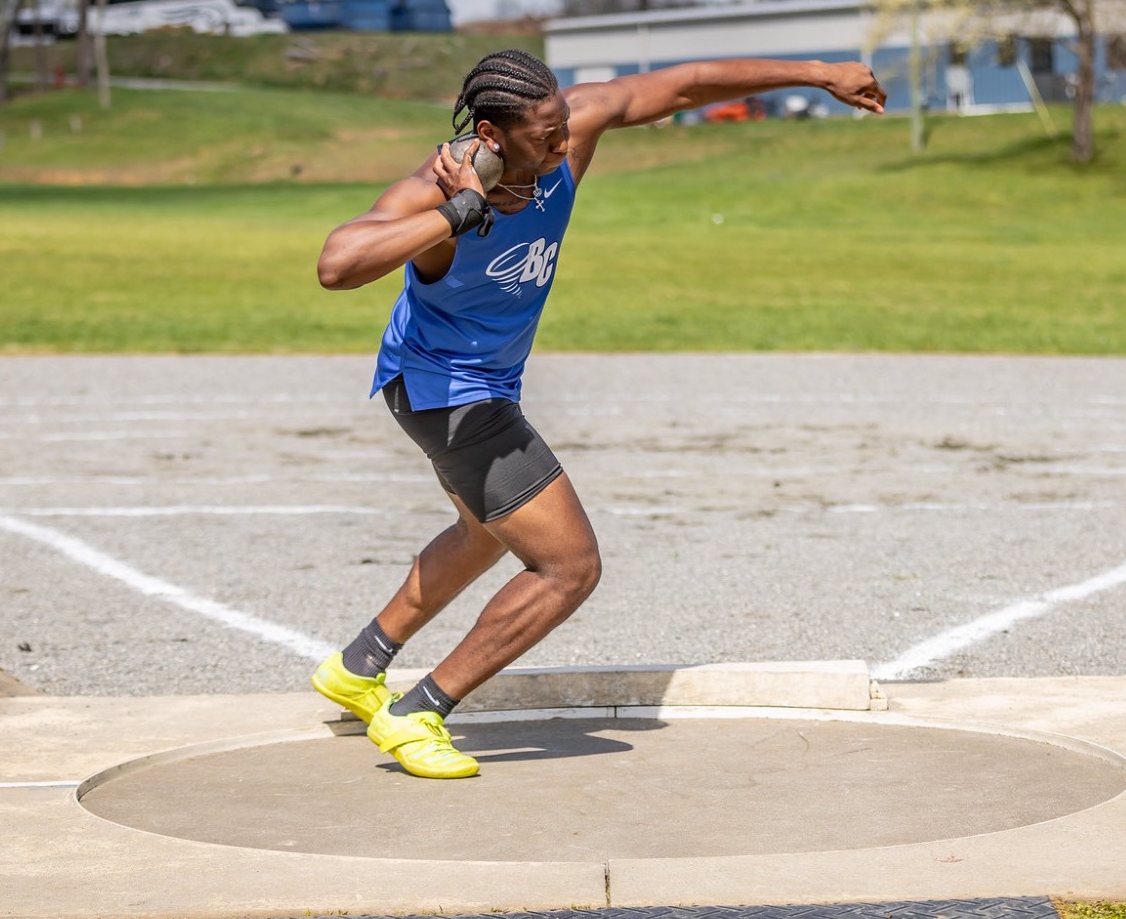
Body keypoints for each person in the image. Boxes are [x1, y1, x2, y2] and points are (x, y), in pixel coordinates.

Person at [309, 50, 886, 779]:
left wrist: (816, 72)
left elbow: (684, 85)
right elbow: (337, 263)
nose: (563, 145)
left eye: (564, 127)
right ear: (489, 134)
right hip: (449, 394)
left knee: (484, 533)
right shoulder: (438, 192)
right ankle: (418, 708)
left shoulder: (566, 137)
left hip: (469, 388)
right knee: (568, 566)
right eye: (545, 137)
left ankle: (359, 666)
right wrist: (457, 210)